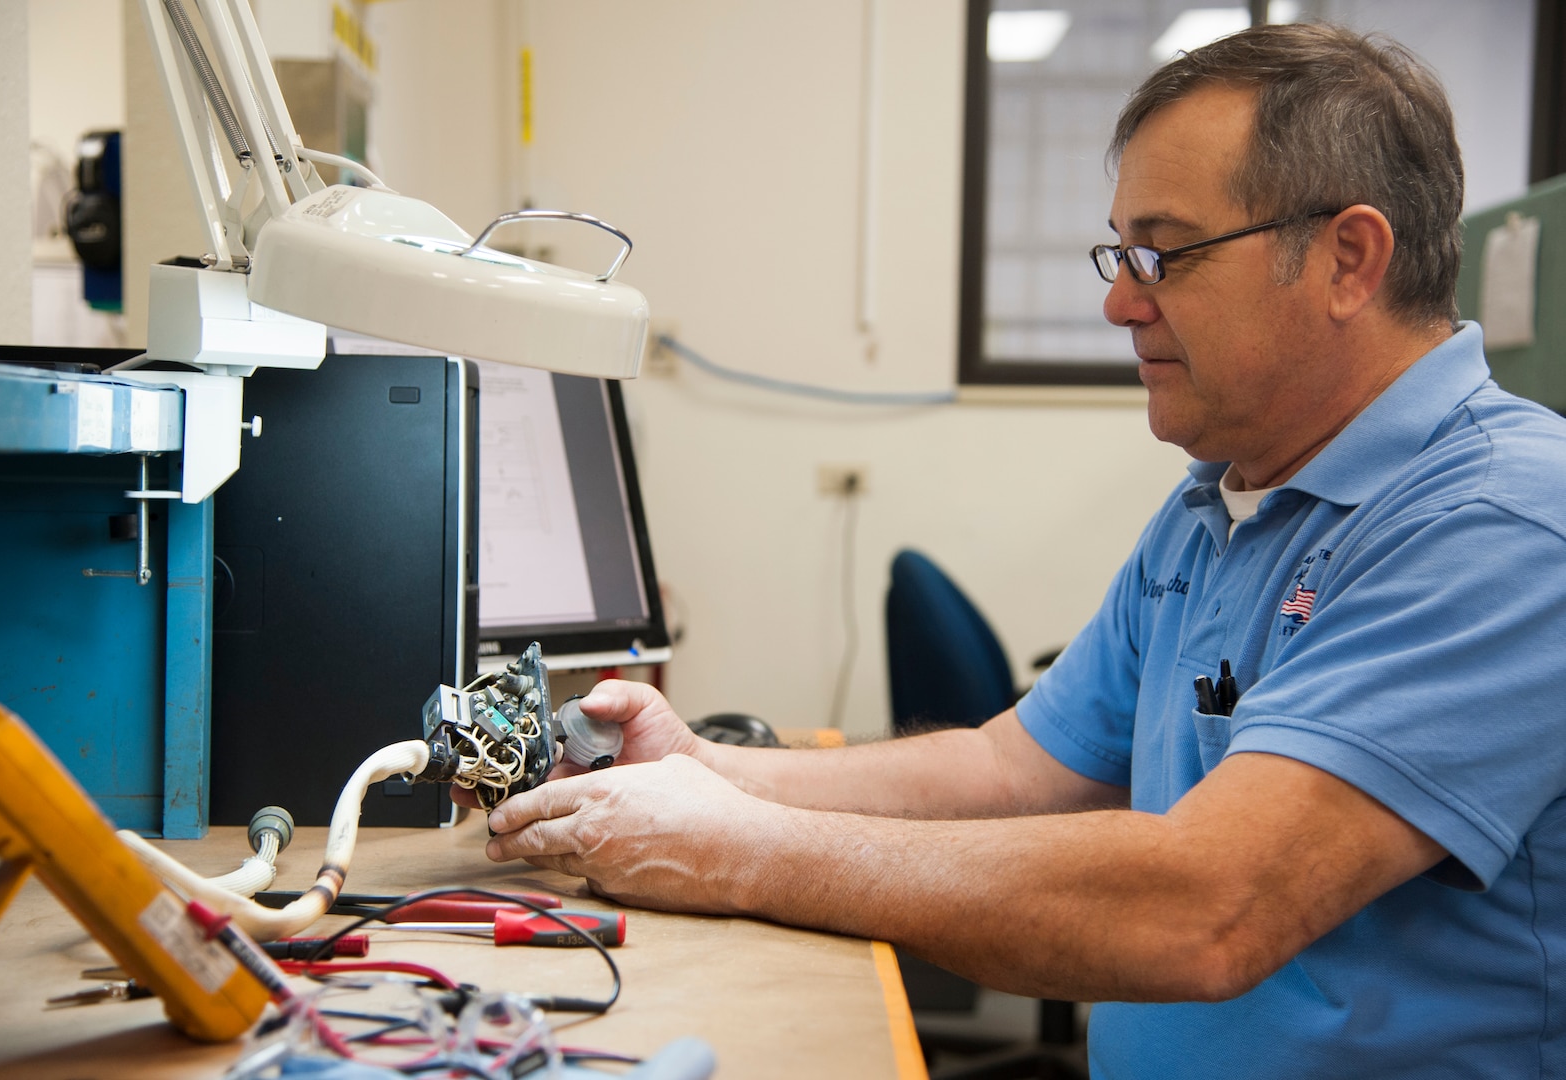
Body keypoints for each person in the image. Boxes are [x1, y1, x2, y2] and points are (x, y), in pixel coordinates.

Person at [461, 22, 1566, 1078]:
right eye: (1121, 252)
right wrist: (707, 771)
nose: (1118, 302)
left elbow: (1211, 906)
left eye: (1164, 255)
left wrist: (737, 851)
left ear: (1348, 260)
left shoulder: (1504, 525)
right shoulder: (1221, 502)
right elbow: (1015, 771)